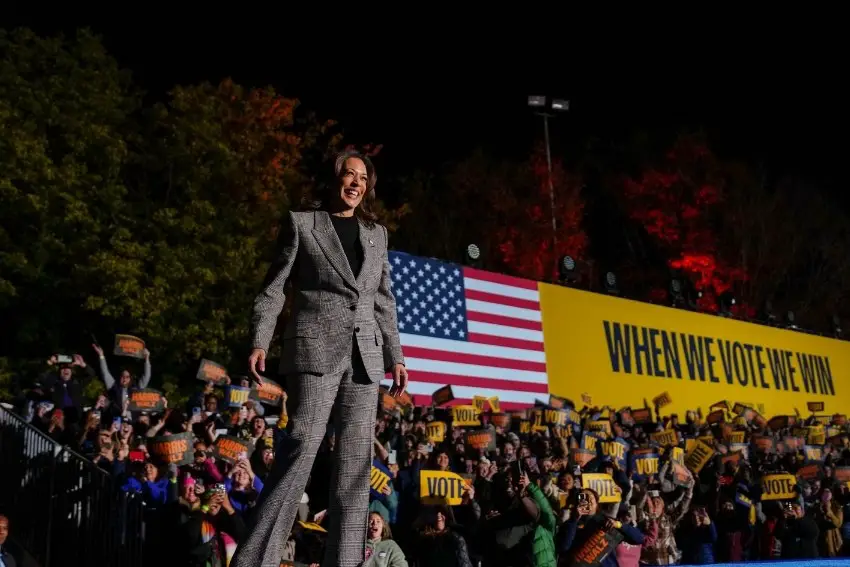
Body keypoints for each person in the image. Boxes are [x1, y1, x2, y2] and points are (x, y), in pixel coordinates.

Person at [232, 150, 407, 567]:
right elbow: (275, 288)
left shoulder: (376, 234)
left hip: (365, 356)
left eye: (362, 178)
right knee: (301, 446)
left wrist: (395, 355)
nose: (355, 183)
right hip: (315, 350)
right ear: (332, 180)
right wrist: (261, 339)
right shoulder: (302, 224)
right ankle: (255, 560)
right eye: (348, 174)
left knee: (355, 465)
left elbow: (383, 298)